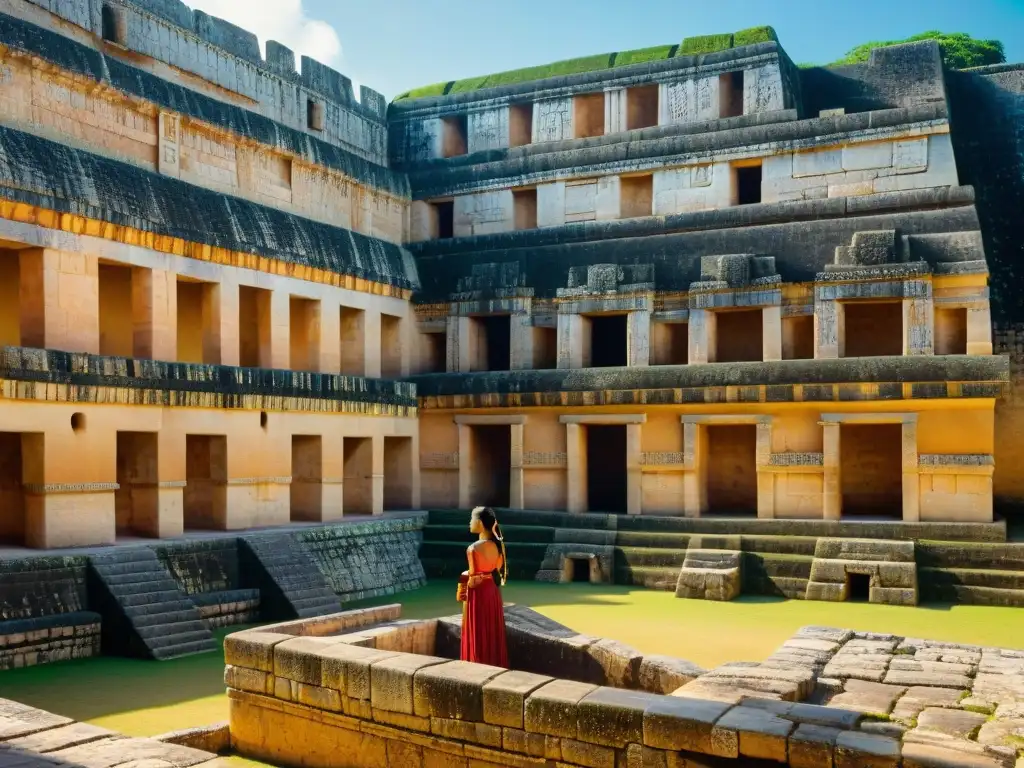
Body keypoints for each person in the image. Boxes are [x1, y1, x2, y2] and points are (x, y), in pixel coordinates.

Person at [456, 506, 509, 667]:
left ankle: (476, 665)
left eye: (471, 519)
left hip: (478, 593)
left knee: (478, 632)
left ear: (479, 523)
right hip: (492, 591)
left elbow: (472, 579)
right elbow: (494, 570)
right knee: (492, 631)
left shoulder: (473, 549)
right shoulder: (498, 546)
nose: (469, 522)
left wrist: (463, 577)